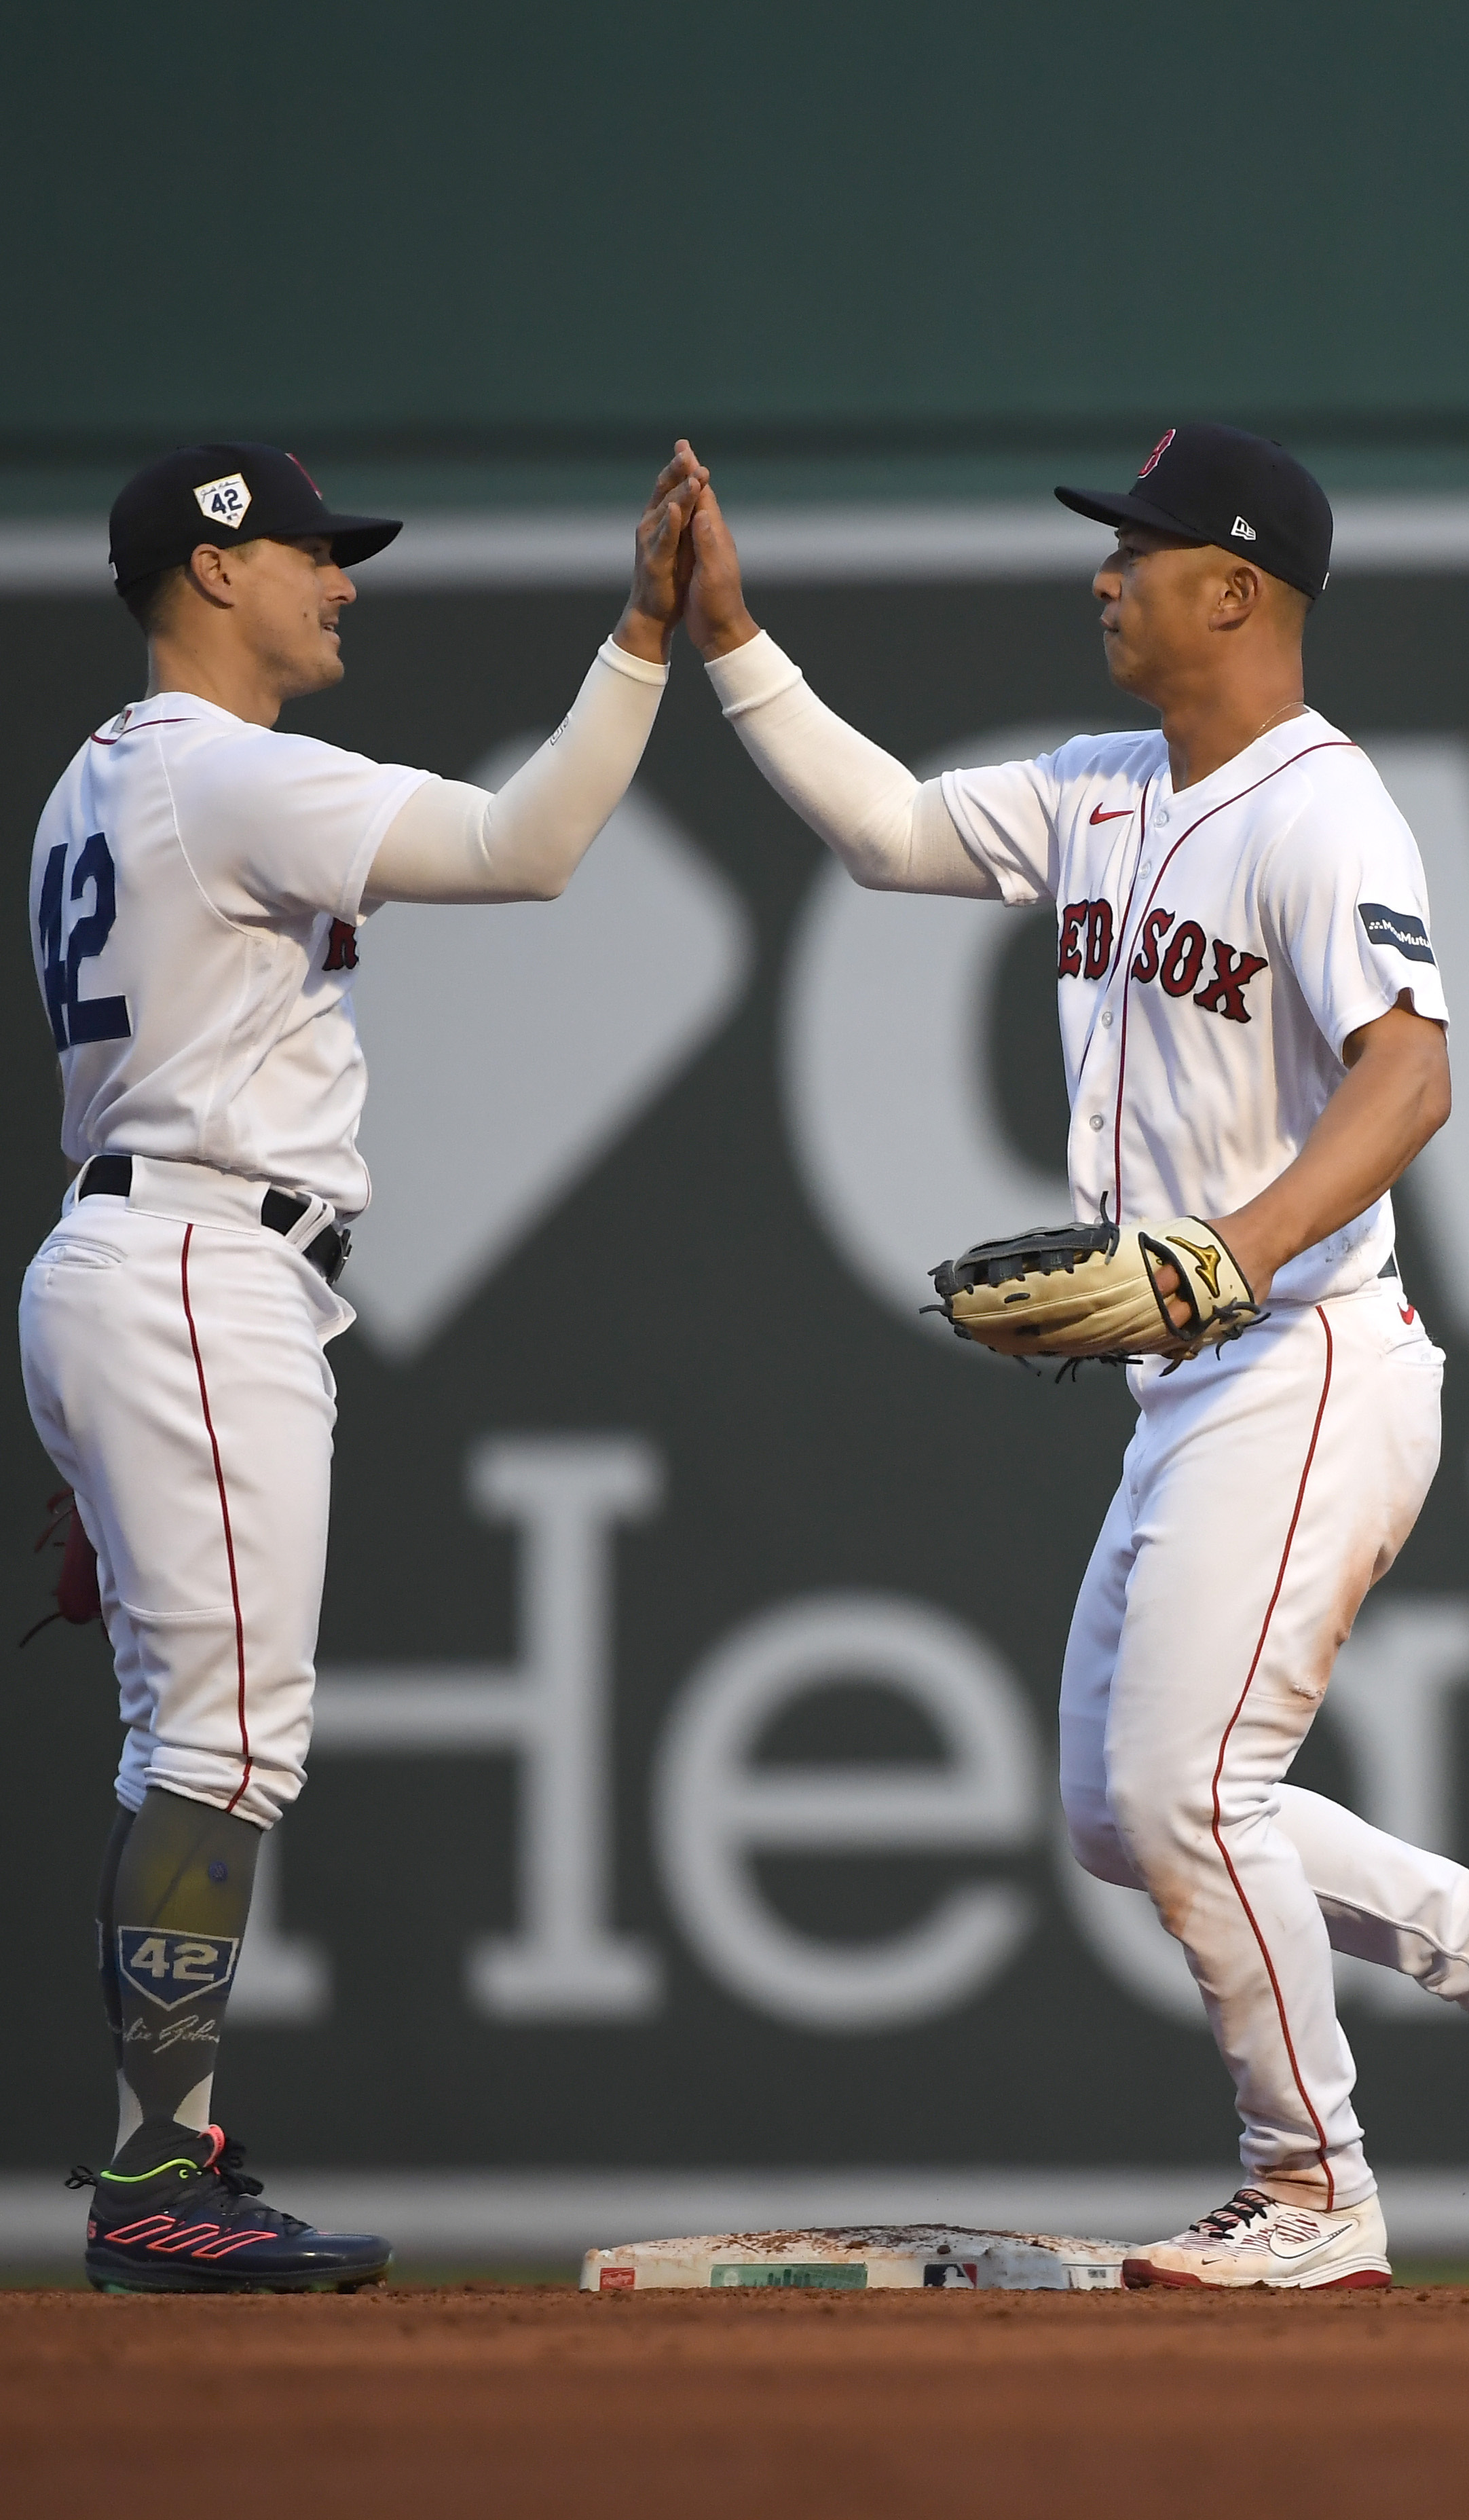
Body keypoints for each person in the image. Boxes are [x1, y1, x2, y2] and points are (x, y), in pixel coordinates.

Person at [677, 422, 1469, 2290]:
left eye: (1133, 548)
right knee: (1122, 1816)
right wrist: (729, 637)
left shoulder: (1319, 809)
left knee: (1185, 1792)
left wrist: (1226, 1250)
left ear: (1234, 587)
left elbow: (1413, 1074)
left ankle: (1309, 2192)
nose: (1100, 573)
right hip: (1201, 1382)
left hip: (1304, 1353)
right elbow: (885, 832)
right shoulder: (1101, 785)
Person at [24, 435, 708, 2293]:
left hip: (139, 1250)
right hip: (195, 1264)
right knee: (225, 1745)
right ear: (218, 568)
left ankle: (161, 2158)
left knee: (192, 1740)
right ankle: (156, 2177)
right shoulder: (228, 776)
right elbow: (531, 845)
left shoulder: (100, 785)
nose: (346, 583)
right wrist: (646, 630)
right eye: (318, 555)